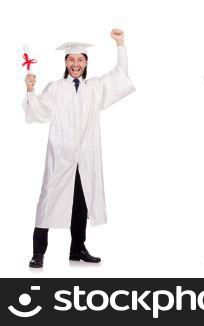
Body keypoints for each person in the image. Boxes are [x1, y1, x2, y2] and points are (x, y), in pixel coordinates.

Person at [23, 29, 135, 269]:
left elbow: (120, 76)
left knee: (81, 202)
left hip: (85, 156)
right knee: (47, 201)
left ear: (86, 63)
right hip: (60, 155)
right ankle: (38, 252)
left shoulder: (93, 88)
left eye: (81, 60)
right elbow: (38, 112)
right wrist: (31, 90)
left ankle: (78, 249)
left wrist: (120, 45)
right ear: (66, 62)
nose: (76, 64)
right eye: (72, 60)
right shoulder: (56, 88)